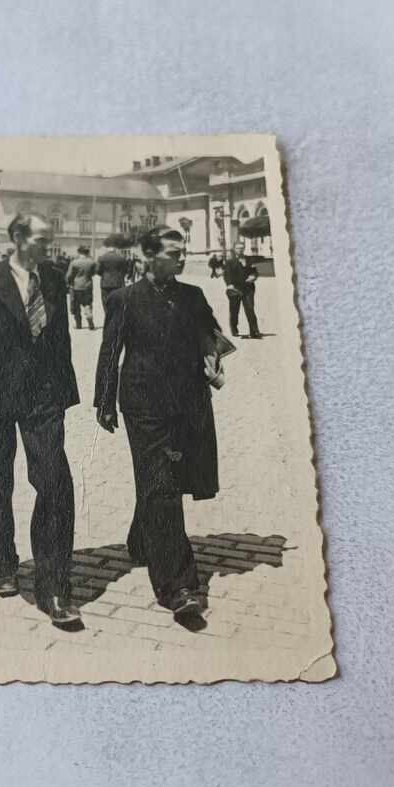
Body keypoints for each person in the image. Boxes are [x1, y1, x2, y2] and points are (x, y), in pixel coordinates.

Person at [0, 213, 83, 630]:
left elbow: (59, 336)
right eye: (42, 239)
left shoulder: (54, 278)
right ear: (19, 237)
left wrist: (63, 391)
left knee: (54, 481)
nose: (49, 245)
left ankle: (54, 587)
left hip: (43, 395)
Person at [94, 228, 224, 625]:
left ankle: (141, 540)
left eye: (183, 251)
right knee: (161, 485)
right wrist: (104, 401)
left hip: (188, 403)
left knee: (166, 480)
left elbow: (212, 337)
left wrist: (213, 358)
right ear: (150, 255)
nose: (182, 257)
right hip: (144, 405)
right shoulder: (124, 299)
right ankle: (178, 586)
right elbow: (110, 351)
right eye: (173, 252)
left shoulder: (193, 296)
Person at [223, 240, 262, 338]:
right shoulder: (230, 261)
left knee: (250, 309)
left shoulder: (249, 260)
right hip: (235, 289)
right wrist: (229, 284)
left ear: (244, 248)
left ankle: (254, 331)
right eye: (238, 248)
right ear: (234, 249)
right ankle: (234, 329)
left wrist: (254, 276)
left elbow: (254, 271)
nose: (240, 250)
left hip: (248, 288)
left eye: (242, 248)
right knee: (234, 310)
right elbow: (227, 275)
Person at [66, 245, 97, 330]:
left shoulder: (74, 262)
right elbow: (94, 273)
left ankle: (78, 324)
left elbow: (69, 275)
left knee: (76, 306)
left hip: (76, 286)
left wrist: (68, 282)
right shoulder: (92, 262)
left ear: (79, 252)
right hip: (88, 285)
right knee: (87, 303)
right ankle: (89, 316)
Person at [96, 235, 129, 312]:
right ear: (115, 247)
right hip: (118, 282)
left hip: (105, 283)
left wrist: (104, 275)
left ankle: (108, 316)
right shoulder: (121, 258)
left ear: (107, 247)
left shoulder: (102, 258)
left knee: (106, 301)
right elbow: (125, 270)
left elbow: (97, 271)